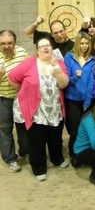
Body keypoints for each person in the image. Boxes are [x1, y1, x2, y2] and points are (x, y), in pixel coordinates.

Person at [8, 37, 69, 181]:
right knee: (37, 141)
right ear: (37, 50)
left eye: (48, 45)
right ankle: (39, 168)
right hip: (36, 111)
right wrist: (23, 90)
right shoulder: (30, 63)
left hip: (54, 110)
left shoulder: (59, 62)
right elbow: (12, 77)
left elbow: (64, 84)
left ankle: (57, 159)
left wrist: (56, 67)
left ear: (52, 48)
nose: (46, 48)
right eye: (42, 46)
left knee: (55, 138)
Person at [0, 29, 29, 173]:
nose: (7, 46)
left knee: (24, 129)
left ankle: (25, 152)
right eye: (3, 43)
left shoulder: (22, 53)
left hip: (21, 98)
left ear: (15, 42)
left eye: (10, 43)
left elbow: (30, 72)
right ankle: (11, 159)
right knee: (5, 131)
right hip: (3, 99)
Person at [64, 32, 95, 160]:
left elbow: (91, 83)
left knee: (86, 129)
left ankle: (85, 152)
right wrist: (75, 77)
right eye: (82, 43)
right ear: (77, 43)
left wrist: (87, 102)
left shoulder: (92, 59)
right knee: (74, 130)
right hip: (71, 99)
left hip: (86, 100)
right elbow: (66, 80)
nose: (84, 46)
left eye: (87, 43)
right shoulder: (69, 57)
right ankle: (74, 155)